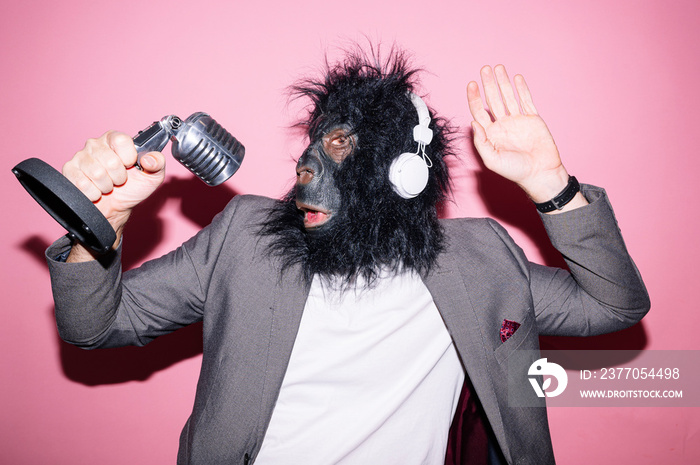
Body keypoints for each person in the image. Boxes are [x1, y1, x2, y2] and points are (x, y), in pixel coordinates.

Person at [46, 50, 650, 465]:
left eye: (336, 143)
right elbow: (96, 328)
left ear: (405, 174)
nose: (307, 162)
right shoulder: (246, 235)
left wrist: (552, 185)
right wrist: (101, 224)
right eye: (312, 144)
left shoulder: (478, 257)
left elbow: (615, 305)